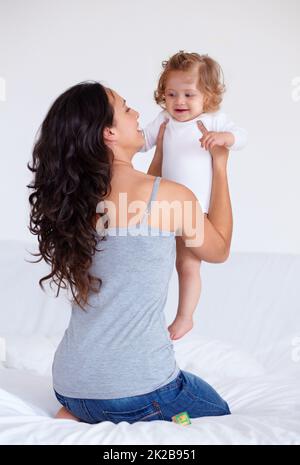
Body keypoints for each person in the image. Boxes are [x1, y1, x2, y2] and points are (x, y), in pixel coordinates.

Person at [27, 81, 232, 424]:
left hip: (70, 386)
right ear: (108, 132)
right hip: (141, 391)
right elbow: (219, 248)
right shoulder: (172, 197)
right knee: (216, 412)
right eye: (125, 108)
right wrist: (220, 166)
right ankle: (159, 420)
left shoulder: (74, 200)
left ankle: (82, 414)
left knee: (99, 400)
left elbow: (138, 198)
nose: (136, 113)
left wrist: (162, 154)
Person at [140, 51, 247, 341]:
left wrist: (223, 139)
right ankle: (149, 314)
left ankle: (185, 317)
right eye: (171, 94)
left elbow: (241, 137)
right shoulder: (164, 120)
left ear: (209, 96)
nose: (179, 102)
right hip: (165, 209)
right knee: (161, 260)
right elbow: (142, 140)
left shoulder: (213, 121)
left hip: (196, 212)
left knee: (188, 265)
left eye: (189, 94)